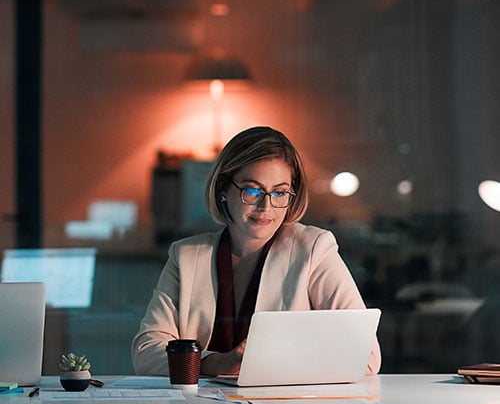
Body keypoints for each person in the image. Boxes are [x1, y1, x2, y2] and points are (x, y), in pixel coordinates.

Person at [132, 126, 381, 376]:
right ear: (223, 189)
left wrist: (264, 365)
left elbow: (366, 357)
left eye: (280, 192)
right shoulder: (186, 256)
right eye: (252, 191)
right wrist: (214, 363)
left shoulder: (314, 249)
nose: (266, 206)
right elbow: (146, 352)